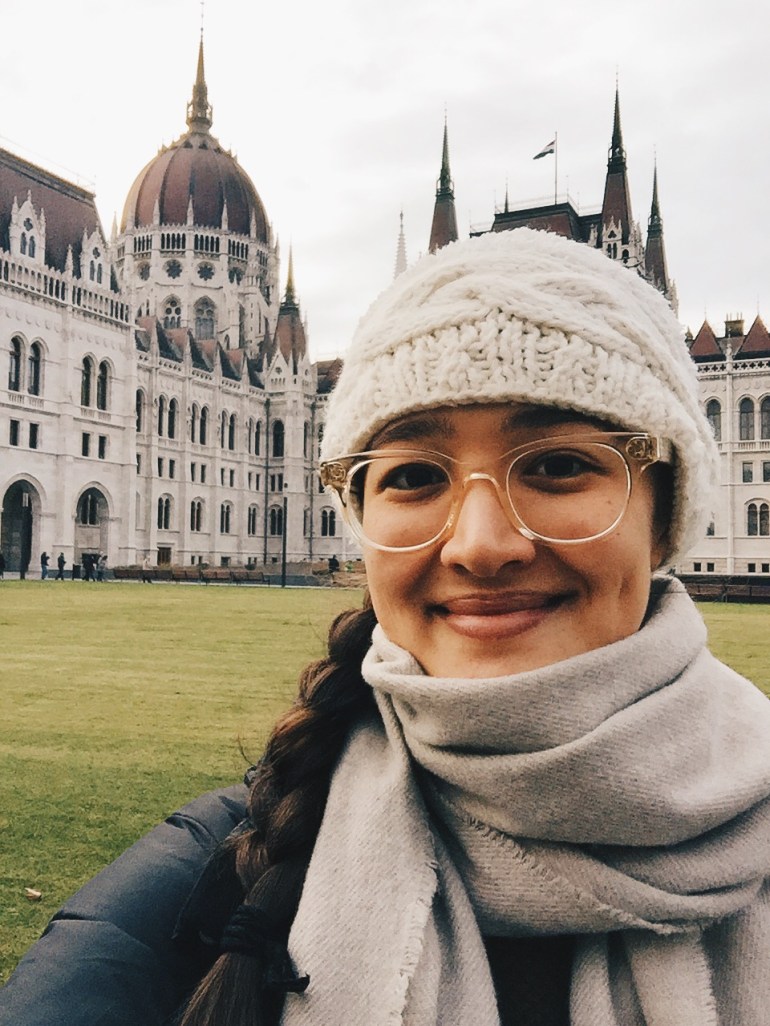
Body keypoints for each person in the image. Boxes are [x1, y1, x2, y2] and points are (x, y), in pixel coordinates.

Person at [3, 228, 770, 1026]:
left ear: (667, 511)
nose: (481, 545)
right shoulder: (222, 873)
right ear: (362, 519)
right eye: (411, 475)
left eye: (557, 464)